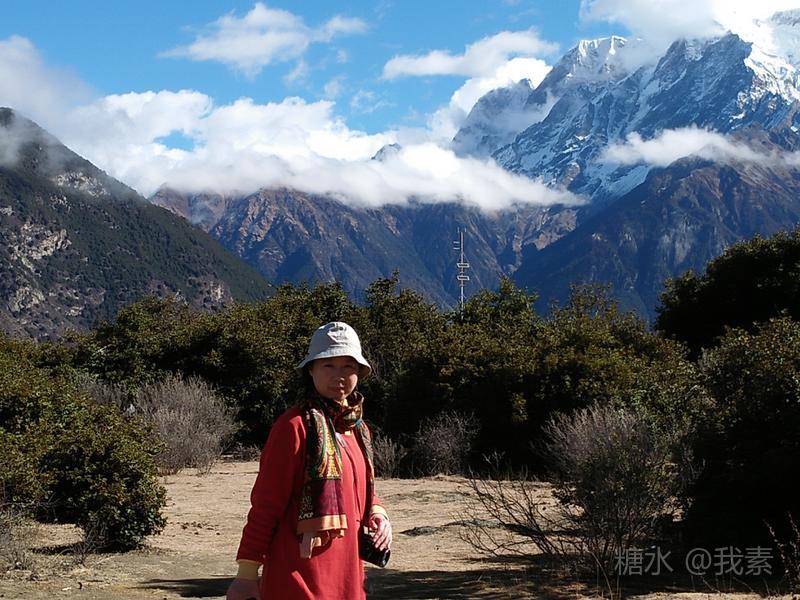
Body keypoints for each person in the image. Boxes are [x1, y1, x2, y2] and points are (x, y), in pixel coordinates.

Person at [226, 321, 392, 600]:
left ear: (360, 373)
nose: (339, 375)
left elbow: (362, 491)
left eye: (348, 366)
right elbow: (266, 505)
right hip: (298, 577)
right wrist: (246, 574)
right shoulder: (294, 426)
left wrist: (378, 514)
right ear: (311, 370)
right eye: (328, 365)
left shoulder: (358, 429)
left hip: (348, 578)